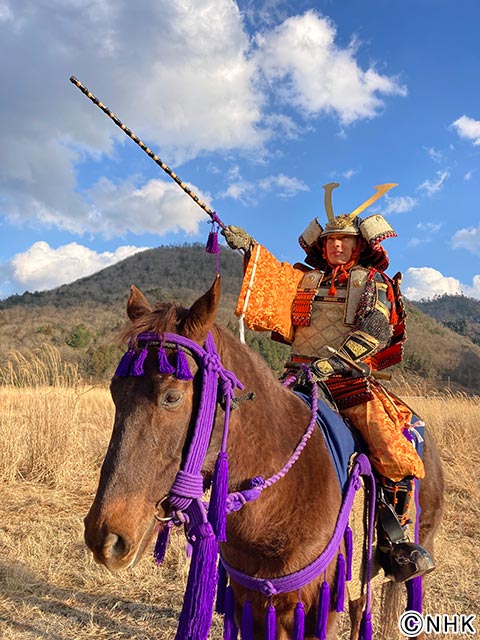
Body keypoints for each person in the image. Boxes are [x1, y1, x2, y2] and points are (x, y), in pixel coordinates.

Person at [222, 182, 434, 582]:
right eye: (331, 240)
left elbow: (377, 329)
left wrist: (333, 363)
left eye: (345, 240)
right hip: (296, 377)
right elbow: (272, 279)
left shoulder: (372, 282)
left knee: (391, 447)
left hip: (349, 382)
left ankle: (394, 540)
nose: (336, 246)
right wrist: (249, 248)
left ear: (359, 246)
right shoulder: (305, 281)